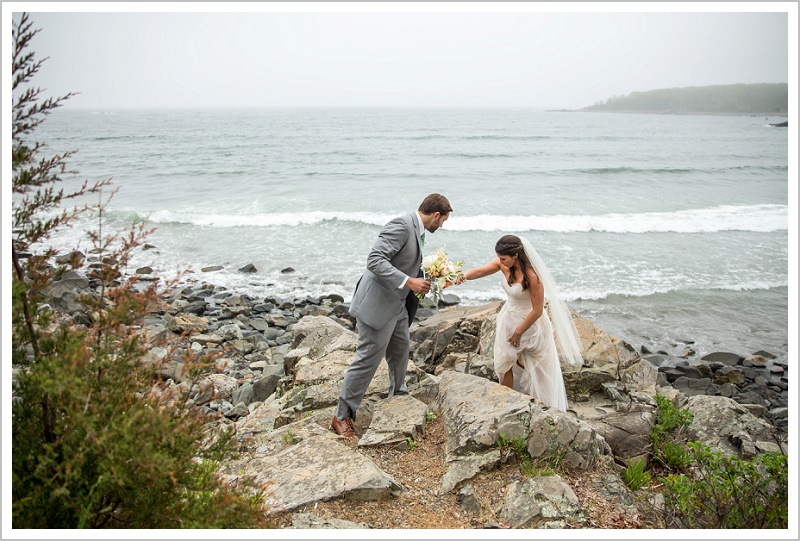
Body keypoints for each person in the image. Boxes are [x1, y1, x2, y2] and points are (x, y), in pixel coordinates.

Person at [331, 194, 453, 440]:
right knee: (367, 359)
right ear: (436, 215)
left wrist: (439, 276)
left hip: (397, 304)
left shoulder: (418, 231)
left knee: (400, 349)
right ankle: (342, 416)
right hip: (378, 304)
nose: (442, 226)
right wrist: (409, 281)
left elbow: (408, 263)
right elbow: (374, 260)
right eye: (443, 221)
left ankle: (398, 393)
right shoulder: (402, 225)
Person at [454, 234, 583, 411]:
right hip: (509, 318)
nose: (500, 261)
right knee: (504, 362)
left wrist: (519, 331)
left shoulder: (532, 277)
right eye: (499, 258)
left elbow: (537, 310)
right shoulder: (504, 264)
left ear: (516, 255)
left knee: (534, 367)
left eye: (503, 258)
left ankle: (540, 404)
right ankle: (505, 403)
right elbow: (480, 271)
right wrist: (464, 276)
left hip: (529, 324)